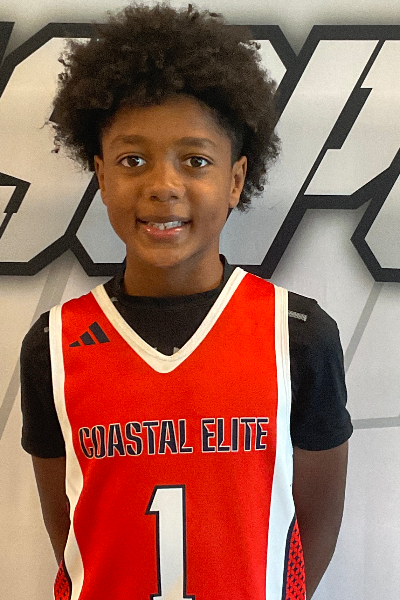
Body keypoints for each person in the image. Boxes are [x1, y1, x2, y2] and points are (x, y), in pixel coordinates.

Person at [20, 3, 352, 599]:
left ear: (235, 179)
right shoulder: (54, 344)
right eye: (133, 160)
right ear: (101, 175)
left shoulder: (298, 333)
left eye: (195, 161)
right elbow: (73, 534)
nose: (163, 185)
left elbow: (310, 535)